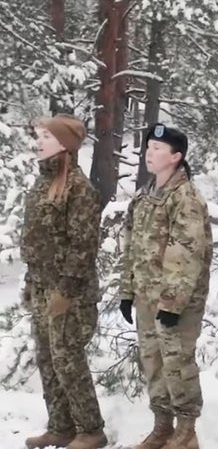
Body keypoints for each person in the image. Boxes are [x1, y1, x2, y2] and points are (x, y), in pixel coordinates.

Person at [119, 124, 212, 449]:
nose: (149, 152)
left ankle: (186, 431)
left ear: (176, 157)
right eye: (148, 147)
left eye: (158, 148)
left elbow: (185, 254)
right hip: (147, 297)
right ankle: (162, 425)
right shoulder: (146, 194)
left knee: (177, 364)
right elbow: (130, 244)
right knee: (153, 362)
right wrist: (127, 291)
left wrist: (171, 305)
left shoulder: (185, 198)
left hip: (176, 302)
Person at [21, 114, 107, 449]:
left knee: (67, 359)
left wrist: (67, 291)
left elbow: (83, 245)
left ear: (64, 144)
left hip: (69, 293)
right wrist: (31, 281)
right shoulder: (43, 181)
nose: (39, 141)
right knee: (47, 358)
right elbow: (38, 239)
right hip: (43, 287)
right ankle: (60, 425)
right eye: (38, 135)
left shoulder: (78, 187)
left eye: (46, 136)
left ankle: (91, 429)